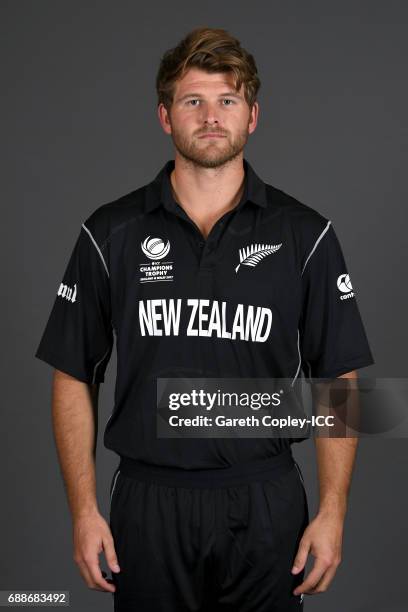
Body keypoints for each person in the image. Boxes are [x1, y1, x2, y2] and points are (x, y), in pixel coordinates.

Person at [34, 27, 375, 611]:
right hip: (149, 500)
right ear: (166, 117)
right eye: (193, 101)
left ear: (253, 116)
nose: (211, 117)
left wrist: (334, 511)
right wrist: (85, 511)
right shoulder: (109, 232)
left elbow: (337, 379)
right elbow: (72, 373)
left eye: (227, 101)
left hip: (264, 498)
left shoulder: (304, 234)